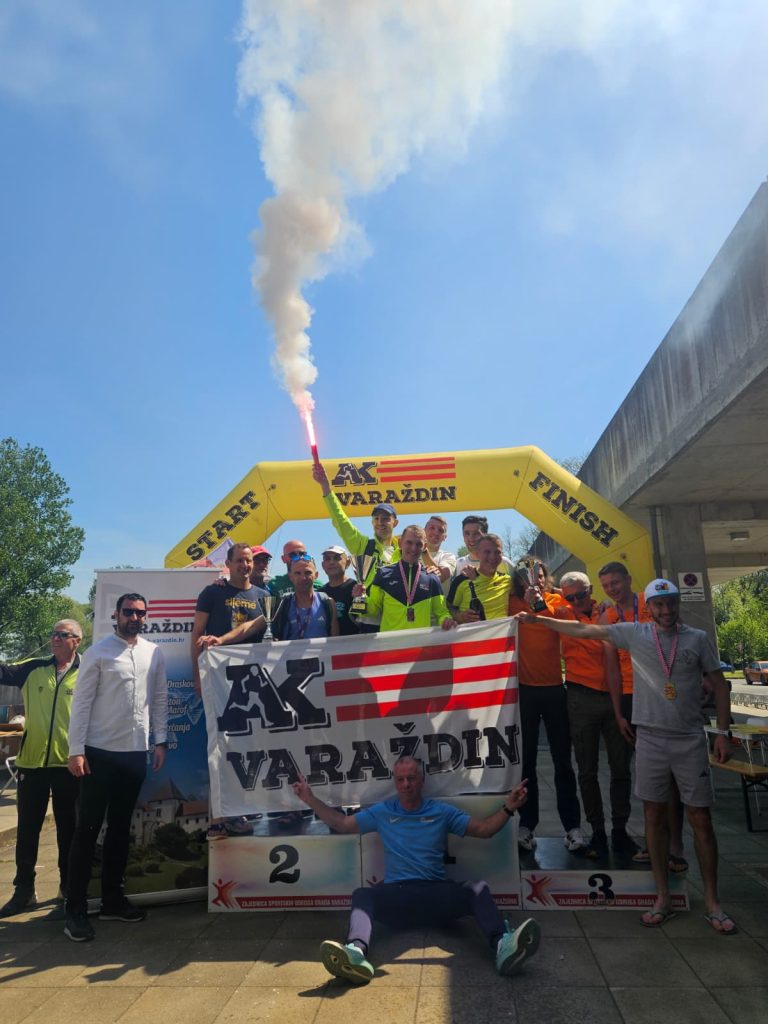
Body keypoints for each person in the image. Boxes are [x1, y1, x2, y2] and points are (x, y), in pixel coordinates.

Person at [514, 578, 737, 934]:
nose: (666, 610)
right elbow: (582, 630)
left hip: (689, 738)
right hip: (650, 738)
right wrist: (538, 619)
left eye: (671, 603)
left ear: (677, 603)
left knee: (701, 818)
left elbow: (721, 686)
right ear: (650, 607)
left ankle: (713, 902)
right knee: (652, 815)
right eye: (659, 605)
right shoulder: (635, 633)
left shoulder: (696, 638)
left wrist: (723, 733)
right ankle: (662, 898)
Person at [293, 756, 541, 984]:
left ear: (422, 781)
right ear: (395, 782)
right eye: (400, 779)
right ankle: (355, 954)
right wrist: (309, 799)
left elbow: (484, 830)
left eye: (411, 778)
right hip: (398, 897)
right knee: (362, 895)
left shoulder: (441, 811)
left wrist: (509, 807)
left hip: (436, 895)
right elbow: (342, 824)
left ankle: (503, 947)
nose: (406, 785)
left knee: (477, 888)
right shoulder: (383, 812)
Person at [64, 594, 168, 942]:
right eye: (128, 612)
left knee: (121, 829)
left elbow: (159, 698)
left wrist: (161, 740)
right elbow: (81, 704)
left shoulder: (153, 652)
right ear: (116, 614)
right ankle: (75, 909)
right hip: (98, 754)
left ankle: (112, 900)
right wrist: (76, 750)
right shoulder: (98, 652)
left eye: (140, 613)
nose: (134, 618)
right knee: (87, 830)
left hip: (134, 753)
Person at [597, 562, 687, 872]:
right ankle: (652, 843)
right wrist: (618, 712)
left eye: (616, 582)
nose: (612, 588)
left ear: (628, 579)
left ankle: (675, 846)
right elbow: (611, 668)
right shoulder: (607, 617)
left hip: (662, 694)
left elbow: (680, 640)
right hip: (630, 698)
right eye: (606, 585)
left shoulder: (652, 604)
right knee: (645, 778)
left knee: (670, 777)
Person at [0, 620, 83, 917]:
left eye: (63, 635)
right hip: (32, 763)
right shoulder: (33, 667)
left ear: (77, 641)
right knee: (28, 830)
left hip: (69, 763)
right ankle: (24, 891)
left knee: (68, 830)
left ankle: (67, 888)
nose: (55, 638)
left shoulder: (88, 671)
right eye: (53, 634)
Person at [555, 572, 636, 859]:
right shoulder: (561, 612)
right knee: (586, 770)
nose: (576, 601)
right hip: (581, 697)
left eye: (581, 594)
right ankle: (598, 831)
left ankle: (620, 830)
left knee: (621, 768)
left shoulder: (609, 612)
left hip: (615, 697)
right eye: (570, 597)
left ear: (590, 590)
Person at [192, 542, 268, 839]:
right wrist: (197, 675)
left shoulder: (264, 596)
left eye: (249, 561)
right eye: (240, 561)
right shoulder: (212, 592)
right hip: (218, 679)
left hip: (250, 684)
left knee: (246, 749)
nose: (245, 565)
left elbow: (258, 630)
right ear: (228, 563)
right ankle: (218, 818)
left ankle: (238, 813)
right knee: (219, 748)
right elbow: (197, 635)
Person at [507, 566, 585, 854]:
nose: (534, 581)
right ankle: (527, 826)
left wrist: (539, 604)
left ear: (545, 578)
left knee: (562, 761)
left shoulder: (556, 599)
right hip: (524, 691)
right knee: (526, 762)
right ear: (518, 581)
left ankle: (572, 827)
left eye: (539, 575)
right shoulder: (511, 602)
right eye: (527, 576)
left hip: (554, 689)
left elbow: (566, 621)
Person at [312, 462, 400, 631]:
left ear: (395, 522)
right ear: (372, 522)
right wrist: (325, 486)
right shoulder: (363, 545)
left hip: (395, 619)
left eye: (385, 519)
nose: (380, 523)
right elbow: (340, 520)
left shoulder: (402, 551)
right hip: (370, 620)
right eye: (376, 519)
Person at [364, 526, 456, 632]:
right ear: (400, 543)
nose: (413, 548)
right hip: (389, 641)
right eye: (409, 542)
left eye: (419, 544)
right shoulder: (383, 574)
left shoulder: (432, 578)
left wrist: (446, 620)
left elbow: (442, 612)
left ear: (424, 547)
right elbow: (373, 610)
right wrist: (361, 599)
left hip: (419, 641)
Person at [448, 534, 513, 622]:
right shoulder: (462, 580)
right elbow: (447, 608)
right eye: (487, 552)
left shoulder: (508, 580)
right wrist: (460, 616)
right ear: (478, 554)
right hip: (472, 631)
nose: (492, 556)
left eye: (497, 552)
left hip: (500, 631)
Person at [271, 556, 339, 640]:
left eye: (308, 573)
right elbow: (261, 622)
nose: (303, 578)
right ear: (290, 577)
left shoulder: (328, 602)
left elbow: (335, 642)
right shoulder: (282, 603)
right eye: (297, 573)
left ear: (316, 575)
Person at [319, 545, 360, 636]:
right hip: (328, 643)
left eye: (337, 558)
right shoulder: (320, 594)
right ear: (323, 565)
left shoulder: (357, 588)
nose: (331, 562)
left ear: (348, 563)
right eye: (327, 559)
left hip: (355, 642)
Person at [422, 515, 456, 590]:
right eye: (432, 528)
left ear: (444, 537)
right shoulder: (411, 553)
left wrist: (424, 551)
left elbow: (441, 577)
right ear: (423, 531)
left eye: (441, 530)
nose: (436, 532)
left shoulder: (448, 556)